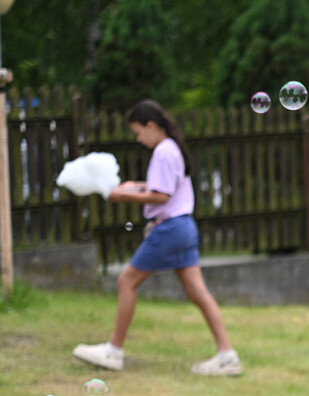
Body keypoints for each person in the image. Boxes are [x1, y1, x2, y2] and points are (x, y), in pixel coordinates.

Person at [72, 100, 241, 376]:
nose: (139, 139)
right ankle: (227, 355)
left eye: (139, 133)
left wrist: (121, 196)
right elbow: (163, 187)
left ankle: (113, 351)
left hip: (169, 229)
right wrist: (133, 186)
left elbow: (161, 196)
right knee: (197, 292)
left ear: (151, 125)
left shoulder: (163, 152)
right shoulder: (173, 147)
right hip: (185, 226)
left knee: (126, 281)